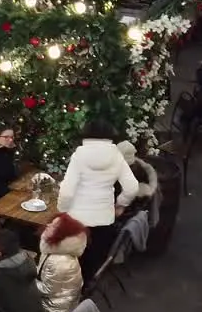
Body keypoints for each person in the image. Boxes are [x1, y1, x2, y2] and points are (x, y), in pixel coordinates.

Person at [56, 119, 139, 282]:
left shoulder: (79, 155)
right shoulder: (116, 156)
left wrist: (62, 211)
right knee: (93, 263)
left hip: (77, 221)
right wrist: (121, 204)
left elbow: (66, 192)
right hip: (104, 219)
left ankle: (73, 295)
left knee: (74, 265)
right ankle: (88, 291)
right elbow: (132, 187)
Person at [35, 213, 88, 312]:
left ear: (61, 235)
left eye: (53, 226)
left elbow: (47, 290)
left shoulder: (59, 261)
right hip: (58, 300)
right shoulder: (55, 250)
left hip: (55, 308)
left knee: (14, 294)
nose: (48, 225)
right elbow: (43, 273)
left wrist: (25, 280)